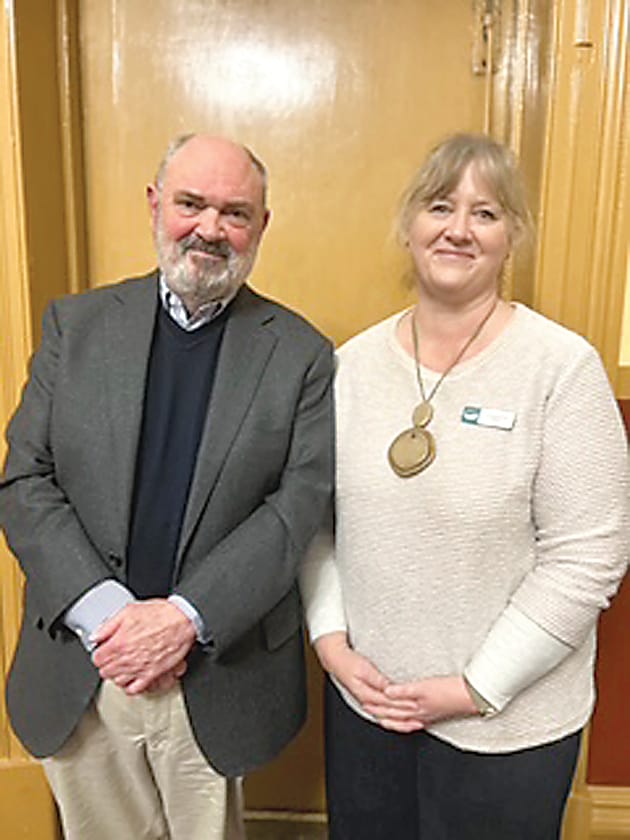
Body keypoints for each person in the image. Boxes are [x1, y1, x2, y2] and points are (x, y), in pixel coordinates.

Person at [1, 133, 334, 840]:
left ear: (261, 226)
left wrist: (183, 619)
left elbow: (295, 509)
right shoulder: (77, 326)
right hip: (88, 664)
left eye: (235, 213)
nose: (211, 229)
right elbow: (26, 479)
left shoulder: (302, 355)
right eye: (191, 204)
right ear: (155, 205)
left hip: (215, 674)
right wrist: (111, 618)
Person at [299, 133, 628, 840]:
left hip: (506, 727)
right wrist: (332, 646)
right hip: (369, 710)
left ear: (514, 238)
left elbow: (587, 558)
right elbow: (316, 524)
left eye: (486, 213)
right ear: (408, 227)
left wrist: (474, 687)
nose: (457, 228)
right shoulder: (350, 366)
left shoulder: (562, 369)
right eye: (440, 206)